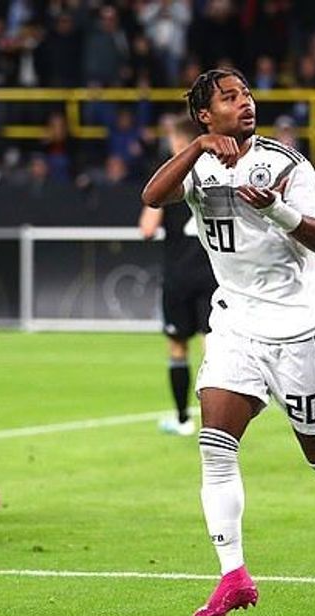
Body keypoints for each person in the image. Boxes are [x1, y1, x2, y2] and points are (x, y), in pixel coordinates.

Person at [141, 68, 315, 616]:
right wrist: (197, 147)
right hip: (235, 322)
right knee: (215, 445)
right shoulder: (198, 163)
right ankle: (233, 574)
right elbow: (152, 196)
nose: (245, 103)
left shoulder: (285, 164)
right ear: (205, 115)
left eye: (247, 94)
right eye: (230, 98)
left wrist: (276, 208)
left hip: (298, 326)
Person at [138, 114, 218, 436]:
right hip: (214, 274)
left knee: (177, 347)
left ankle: (183, 419)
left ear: (180, 142)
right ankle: (219, 422)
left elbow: (147, 229)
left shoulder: (169, 178)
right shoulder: (216, 173)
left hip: (178, 275)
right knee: (214, 349)